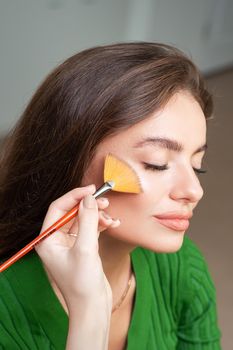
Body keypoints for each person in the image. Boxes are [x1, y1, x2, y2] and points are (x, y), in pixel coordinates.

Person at [0, 42, 221, 349]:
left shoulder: (182, 269)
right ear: (69, 159)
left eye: (197, 166)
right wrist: (89, 314)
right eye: (156, 163)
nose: (194, 191)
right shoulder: (5, 311)